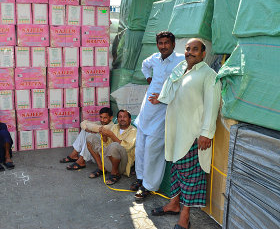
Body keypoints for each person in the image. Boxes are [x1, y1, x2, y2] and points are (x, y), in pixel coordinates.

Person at [149, 38, 221, 229]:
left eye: (195, 49)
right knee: (177, 170)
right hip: (176, 131)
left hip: (193, 134)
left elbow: (212, 106)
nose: (190, 52)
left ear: (203, 53)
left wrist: (206, 133)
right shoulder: (181, 68)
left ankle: (185, 216)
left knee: (191, 176)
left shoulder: (208, 75)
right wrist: (161, 98)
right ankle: (173, 204)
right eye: (188, 49)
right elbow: (172, 89)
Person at [132, 31, 185, 199]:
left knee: (153, 149)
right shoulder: (154, 58)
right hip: (147, 107)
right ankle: (140, 179)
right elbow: (144, 65)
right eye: (160, 43)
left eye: (166, 43)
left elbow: (182, 85)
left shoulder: (181, 60)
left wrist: (162, 98)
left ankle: (148, 186)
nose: (163, 46)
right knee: (140, 146)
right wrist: (149, 79)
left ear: (173, 44)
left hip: (164, 109)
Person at [86, 109, 137, 185]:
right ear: (117, 119)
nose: (122, 119)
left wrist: (111, 135)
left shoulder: (134, 131)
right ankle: (102, 168)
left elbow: (127, 148)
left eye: (124, 117)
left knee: (115, 145)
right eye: (120, 117)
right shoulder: (114, 127)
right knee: (90, 138)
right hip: (110, 158)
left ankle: (115, 173)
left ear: (130, 119)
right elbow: (106, 145)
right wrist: (104, 137)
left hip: (123, 165)